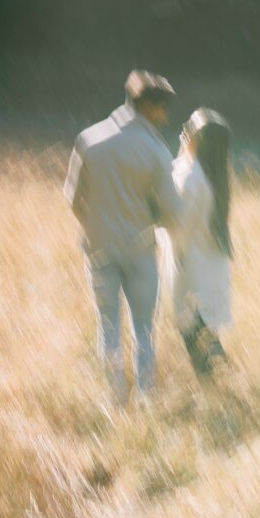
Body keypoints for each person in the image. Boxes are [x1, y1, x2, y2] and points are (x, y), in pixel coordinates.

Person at [64, 70, 180, 403]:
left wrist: (94, 224)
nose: (166, 116)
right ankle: (145, 397)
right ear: (151, 108)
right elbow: (171, 211)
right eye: (163, 109)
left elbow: (72, 197)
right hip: (140, 250)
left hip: (99, 248)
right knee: (144, 328)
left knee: (108, 326)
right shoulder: (156, 150)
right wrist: (152, 218)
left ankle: (114, 398)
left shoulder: (90, 138)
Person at [161, 108, 233, 377]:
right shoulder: (213, 174)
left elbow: (179, 226)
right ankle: (228, 389)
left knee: (196, 339)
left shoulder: (192, 177)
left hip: (191, 269)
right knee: (206, 338)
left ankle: (221, 394)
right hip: (208, 267)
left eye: (191, 127)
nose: (184, 129)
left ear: (200, 141)